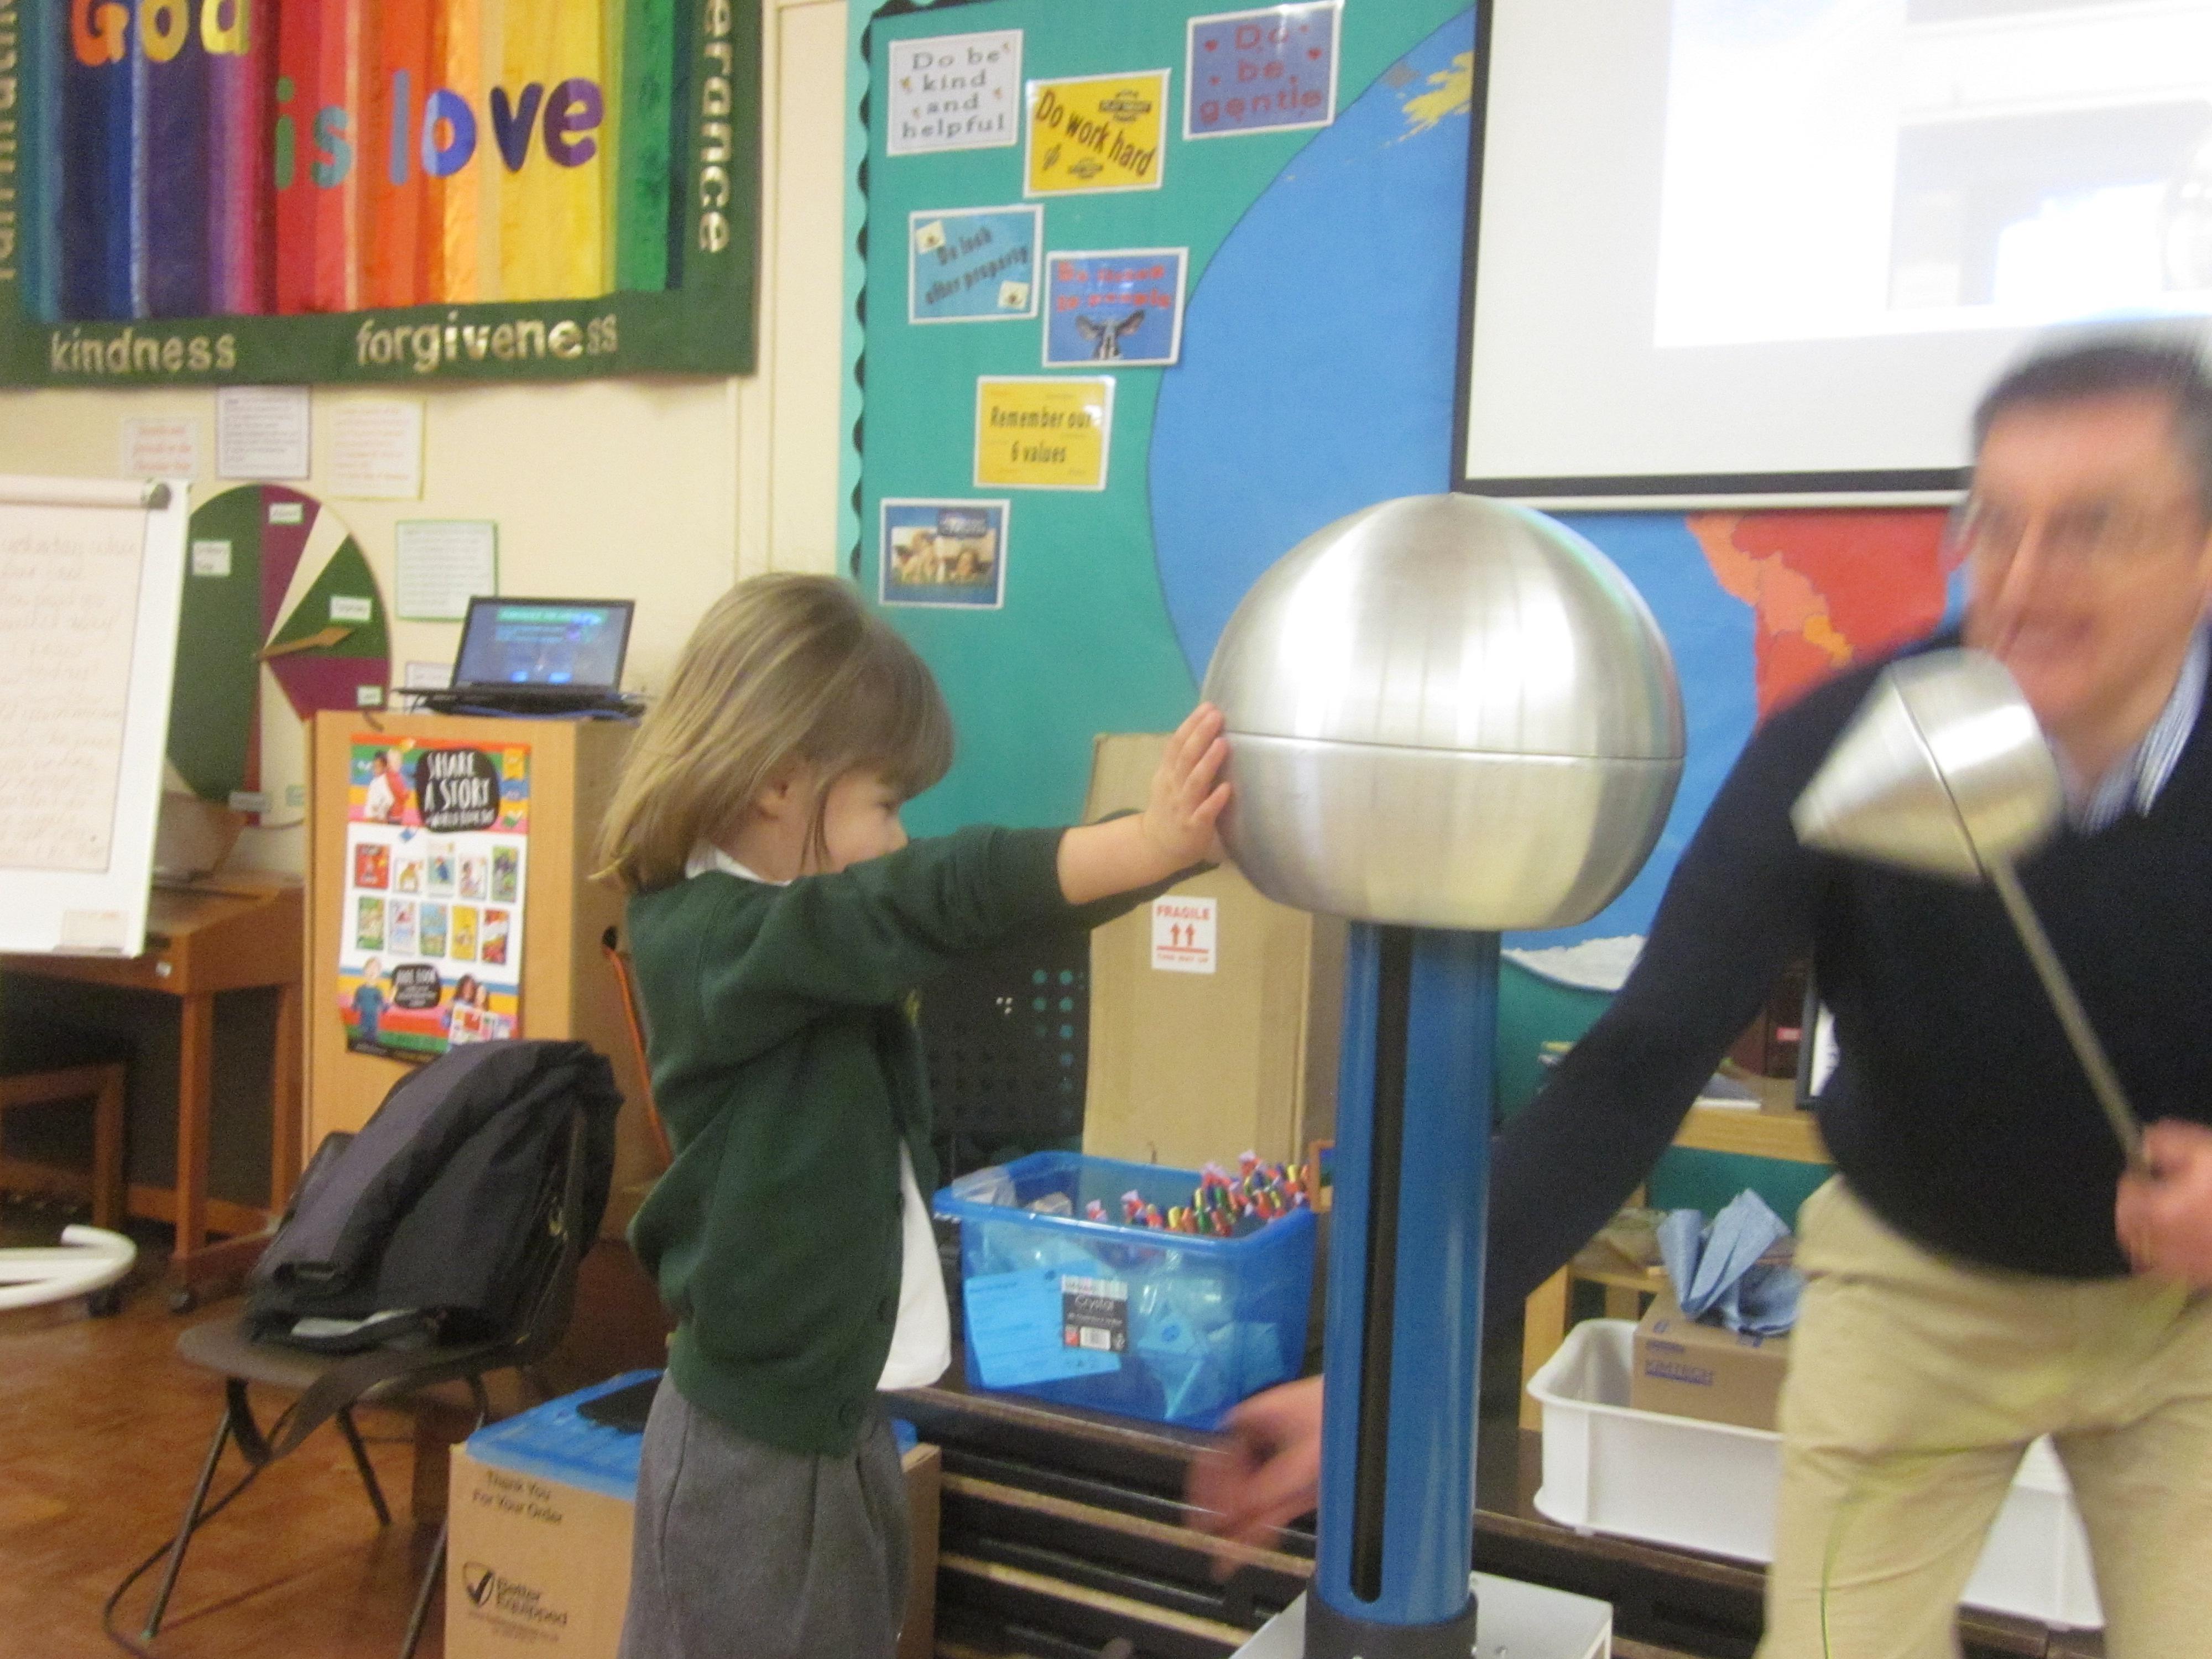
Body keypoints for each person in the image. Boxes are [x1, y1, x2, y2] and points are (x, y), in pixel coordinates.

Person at [1191, 335, 2212, 1659]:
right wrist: (1380, 1383)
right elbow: (1642, 1055)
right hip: (1916, 1296)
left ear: (2200, 550)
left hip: (2183, 1326)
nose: (2019, 585)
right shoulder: (1848, 743)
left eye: (2090, 530)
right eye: (1995, 526)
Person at [597, 573, 1231, 1659]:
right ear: (778, 783)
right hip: (752, 1450)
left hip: (834, 1417)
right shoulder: (712, 941)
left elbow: (980, 921)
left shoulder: (796, 939)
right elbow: (933, 895)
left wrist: (1170, 856)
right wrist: (1151, 840)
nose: (898, 839)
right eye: (885, 805)